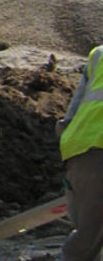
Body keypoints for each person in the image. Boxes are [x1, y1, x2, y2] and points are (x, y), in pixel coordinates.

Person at [56, 44, 103, 261]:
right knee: (88, 240)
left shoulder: (99, 54)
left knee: (87, 233)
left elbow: (71, 114)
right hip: (96, 153)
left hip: (78, 148)